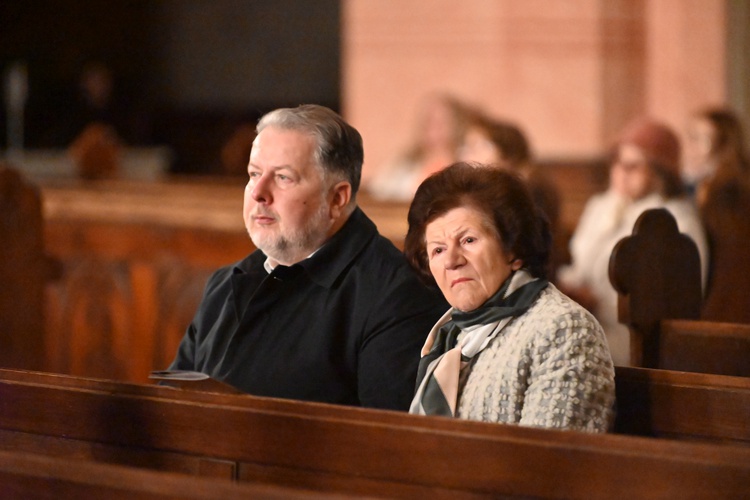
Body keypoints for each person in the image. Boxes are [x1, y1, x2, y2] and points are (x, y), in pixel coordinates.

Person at [168, 104, 447, 410]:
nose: (258, 192)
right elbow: (172, 405)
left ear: (337, 198)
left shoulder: (398, 294)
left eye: (284, 178)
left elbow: (383, 445)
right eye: (254, 174)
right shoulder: (226, 282)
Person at [403, 163, 615, 432]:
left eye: (468, 240)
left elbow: (548, 463)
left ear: (513, 249)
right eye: (438, 250)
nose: (451, 261)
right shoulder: (449, 334)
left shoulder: (564, 328)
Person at [557, 118, 709, 366]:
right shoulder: (603, 205)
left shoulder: (675, 221)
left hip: (634, 340)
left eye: (633, 165)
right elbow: (580, 264)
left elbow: (675, 300)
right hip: (587, 324)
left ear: (661, 171)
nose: (621, 172)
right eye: (617, 162)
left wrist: (598, 302)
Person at [458, 111, 568, 279]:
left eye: (477, 146)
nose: (466, 155)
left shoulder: (531, 189)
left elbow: (522, 247)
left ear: (507, 152)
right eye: (466, 147)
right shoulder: (490, 190)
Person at [684, 107, 750, 322]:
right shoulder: (708, 183)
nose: (691, 147)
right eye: (691, 137)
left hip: (727, 298)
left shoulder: (723, 189)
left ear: (724, 143)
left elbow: (729, 258)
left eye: (700, 138)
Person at [365, 92, 468, 201]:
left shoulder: (463, 161)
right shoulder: (403, 161)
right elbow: (378, 190)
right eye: (429, 120)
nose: (433, 126)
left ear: (456, 125)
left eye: (441, 121)